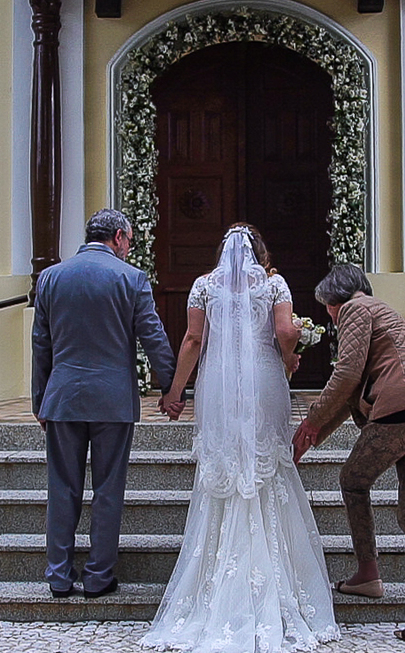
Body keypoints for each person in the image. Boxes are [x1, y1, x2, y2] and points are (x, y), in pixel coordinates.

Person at [141, 223, 340, 653]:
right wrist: (290, 356)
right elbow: (285, 331)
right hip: (263, 380)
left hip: (218, 383)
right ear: (258, 251)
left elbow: (194, 339)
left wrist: (175, 392)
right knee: (268, 462)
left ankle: (215, 583)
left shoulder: (204, 286)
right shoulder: (273, 284)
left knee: (223, 463)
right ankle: (276, 579)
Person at [291, 263, 405, 643]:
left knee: (353, 480)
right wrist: (313, 435)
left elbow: (346, 373)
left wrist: (310, 422)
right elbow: (352, 393)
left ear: (336, 298)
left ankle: (368, 573)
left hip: (401, 411)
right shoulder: (382, 311)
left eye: (327, 306)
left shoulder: (355, 308)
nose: (329, 315)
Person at [32, 209, 183, 599]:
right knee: (108, 490)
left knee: (62, 488)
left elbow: (41, 344)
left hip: (63, 397)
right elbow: (153, 336)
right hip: (113, 401)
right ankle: (98, 576)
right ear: (118, 237)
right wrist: (172, 389)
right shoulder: (131, 279)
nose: (129, 248)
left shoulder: (50, 277)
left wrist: (40, 400)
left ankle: (58, 575)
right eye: (129, 241)